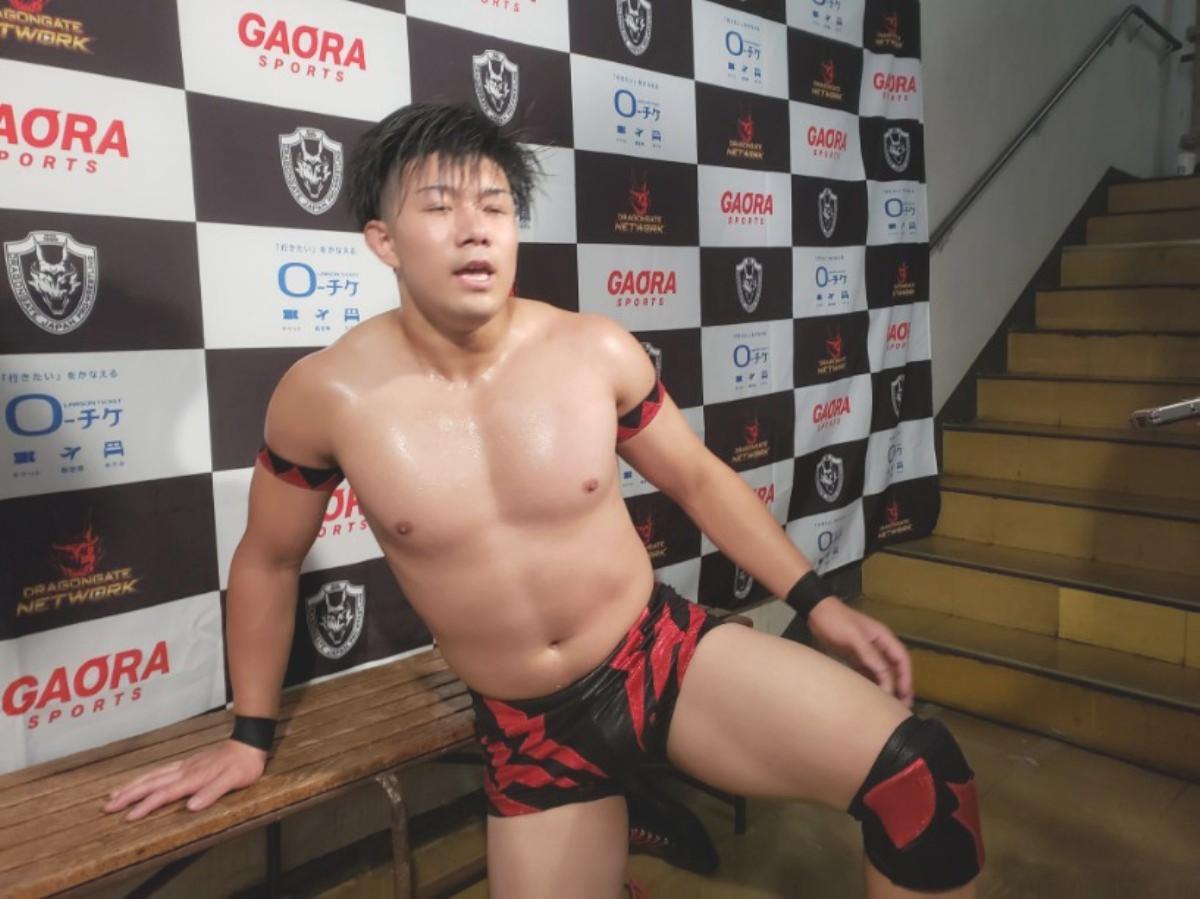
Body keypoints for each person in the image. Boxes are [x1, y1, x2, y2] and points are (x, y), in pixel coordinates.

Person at [105, 104, 983, 898]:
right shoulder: (324, 395)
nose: (474, 228)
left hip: (659, 658)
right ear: (383, 240)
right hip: (529, 731)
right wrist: (249, 735)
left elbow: (698, 477)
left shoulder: (593, 349)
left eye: (495, 206)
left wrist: (818, 601)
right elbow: (268, 558)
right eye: (439, 206)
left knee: (921, 778)